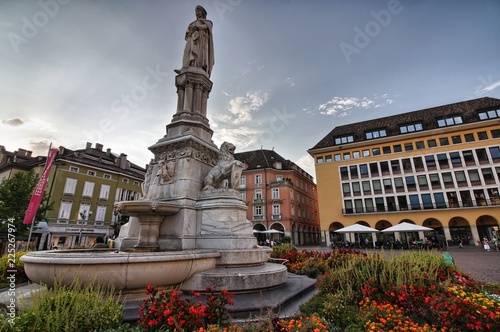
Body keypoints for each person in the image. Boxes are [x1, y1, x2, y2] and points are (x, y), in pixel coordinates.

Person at [176, 5, 214, 77]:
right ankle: (184, 67)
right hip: (191, 38)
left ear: (202, 12)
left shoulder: (207, 22)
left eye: (199, 10)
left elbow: (206, 27)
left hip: (201, 39)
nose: (197, 12)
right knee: (187, 51)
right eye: (196, 11)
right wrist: (189, 31)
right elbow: (187, 35)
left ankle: (198, 66)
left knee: (198, 53)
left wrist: (196, 27)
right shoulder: (192, 23)